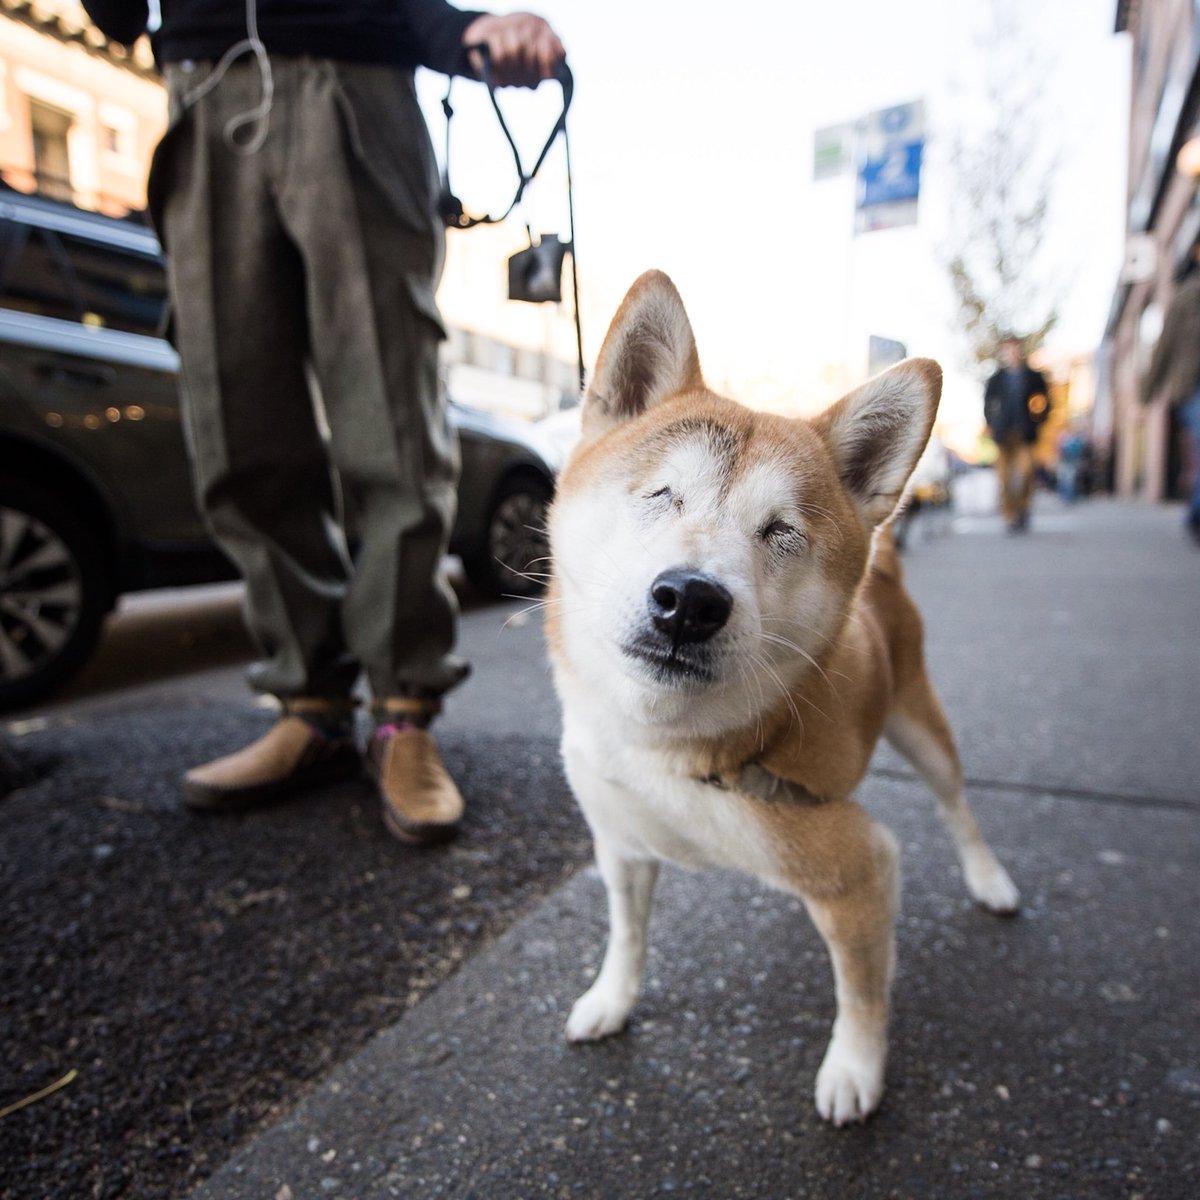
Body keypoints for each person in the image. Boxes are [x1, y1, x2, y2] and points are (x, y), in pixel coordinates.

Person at [80, 1, 566, 842]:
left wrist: (458, 33)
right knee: (236, 421)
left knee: (389, 418)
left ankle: (401, 713)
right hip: (202, 87)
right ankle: (309, 706)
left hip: (355, 84)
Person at [1143, 247, 1200, 546]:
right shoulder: (1186, 298)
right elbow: (1165, 346)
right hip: (1192, 387)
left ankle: (1194, 512)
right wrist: (1148, 391)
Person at [983, 334, 1051, 532]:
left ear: (1020, 350)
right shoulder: (997, 377)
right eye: (1008, 348)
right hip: (1003, 434)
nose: (1012, 352)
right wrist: (992, 423)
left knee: (1026, 472)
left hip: (1025, 433)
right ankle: (1009, 515)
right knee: (1004, 478)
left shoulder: (1032, 375)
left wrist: (1038, 421)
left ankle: (1022, 510)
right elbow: (988, 404)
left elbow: (1045, 401)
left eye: (1015, 348)